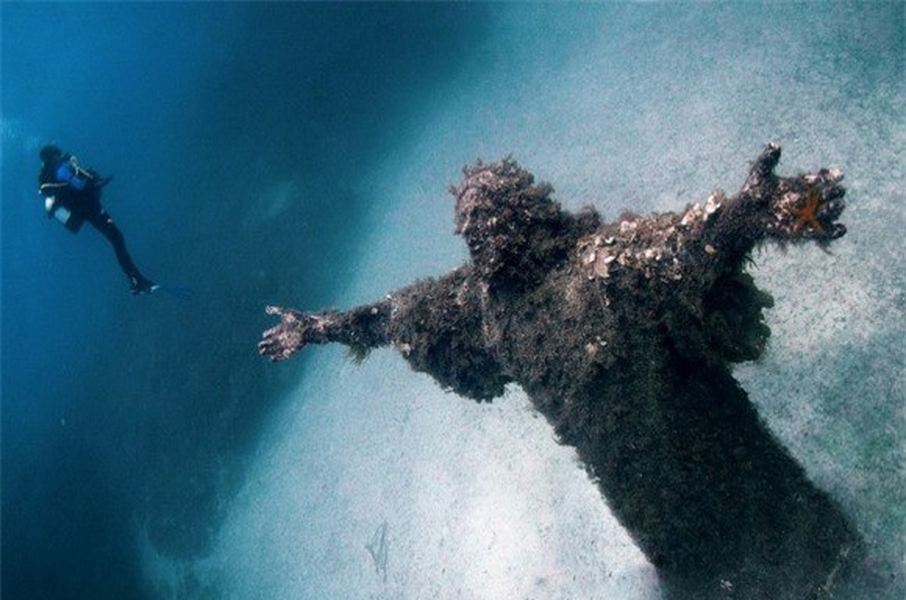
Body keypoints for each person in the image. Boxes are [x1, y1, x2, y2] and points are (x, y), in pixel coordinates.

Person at [37, 145, 155, 294]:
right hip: (90, 207)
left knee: (115, 238)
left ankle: (136, 279)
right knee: (117, 238)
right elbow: (80, 185)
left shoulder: (47, 178)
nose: (60, 157)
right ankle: (137, 281)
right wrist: (95, 182)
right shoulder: (60, 169)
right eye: (57, 154)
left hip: (79, 212)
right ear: (53, 156)